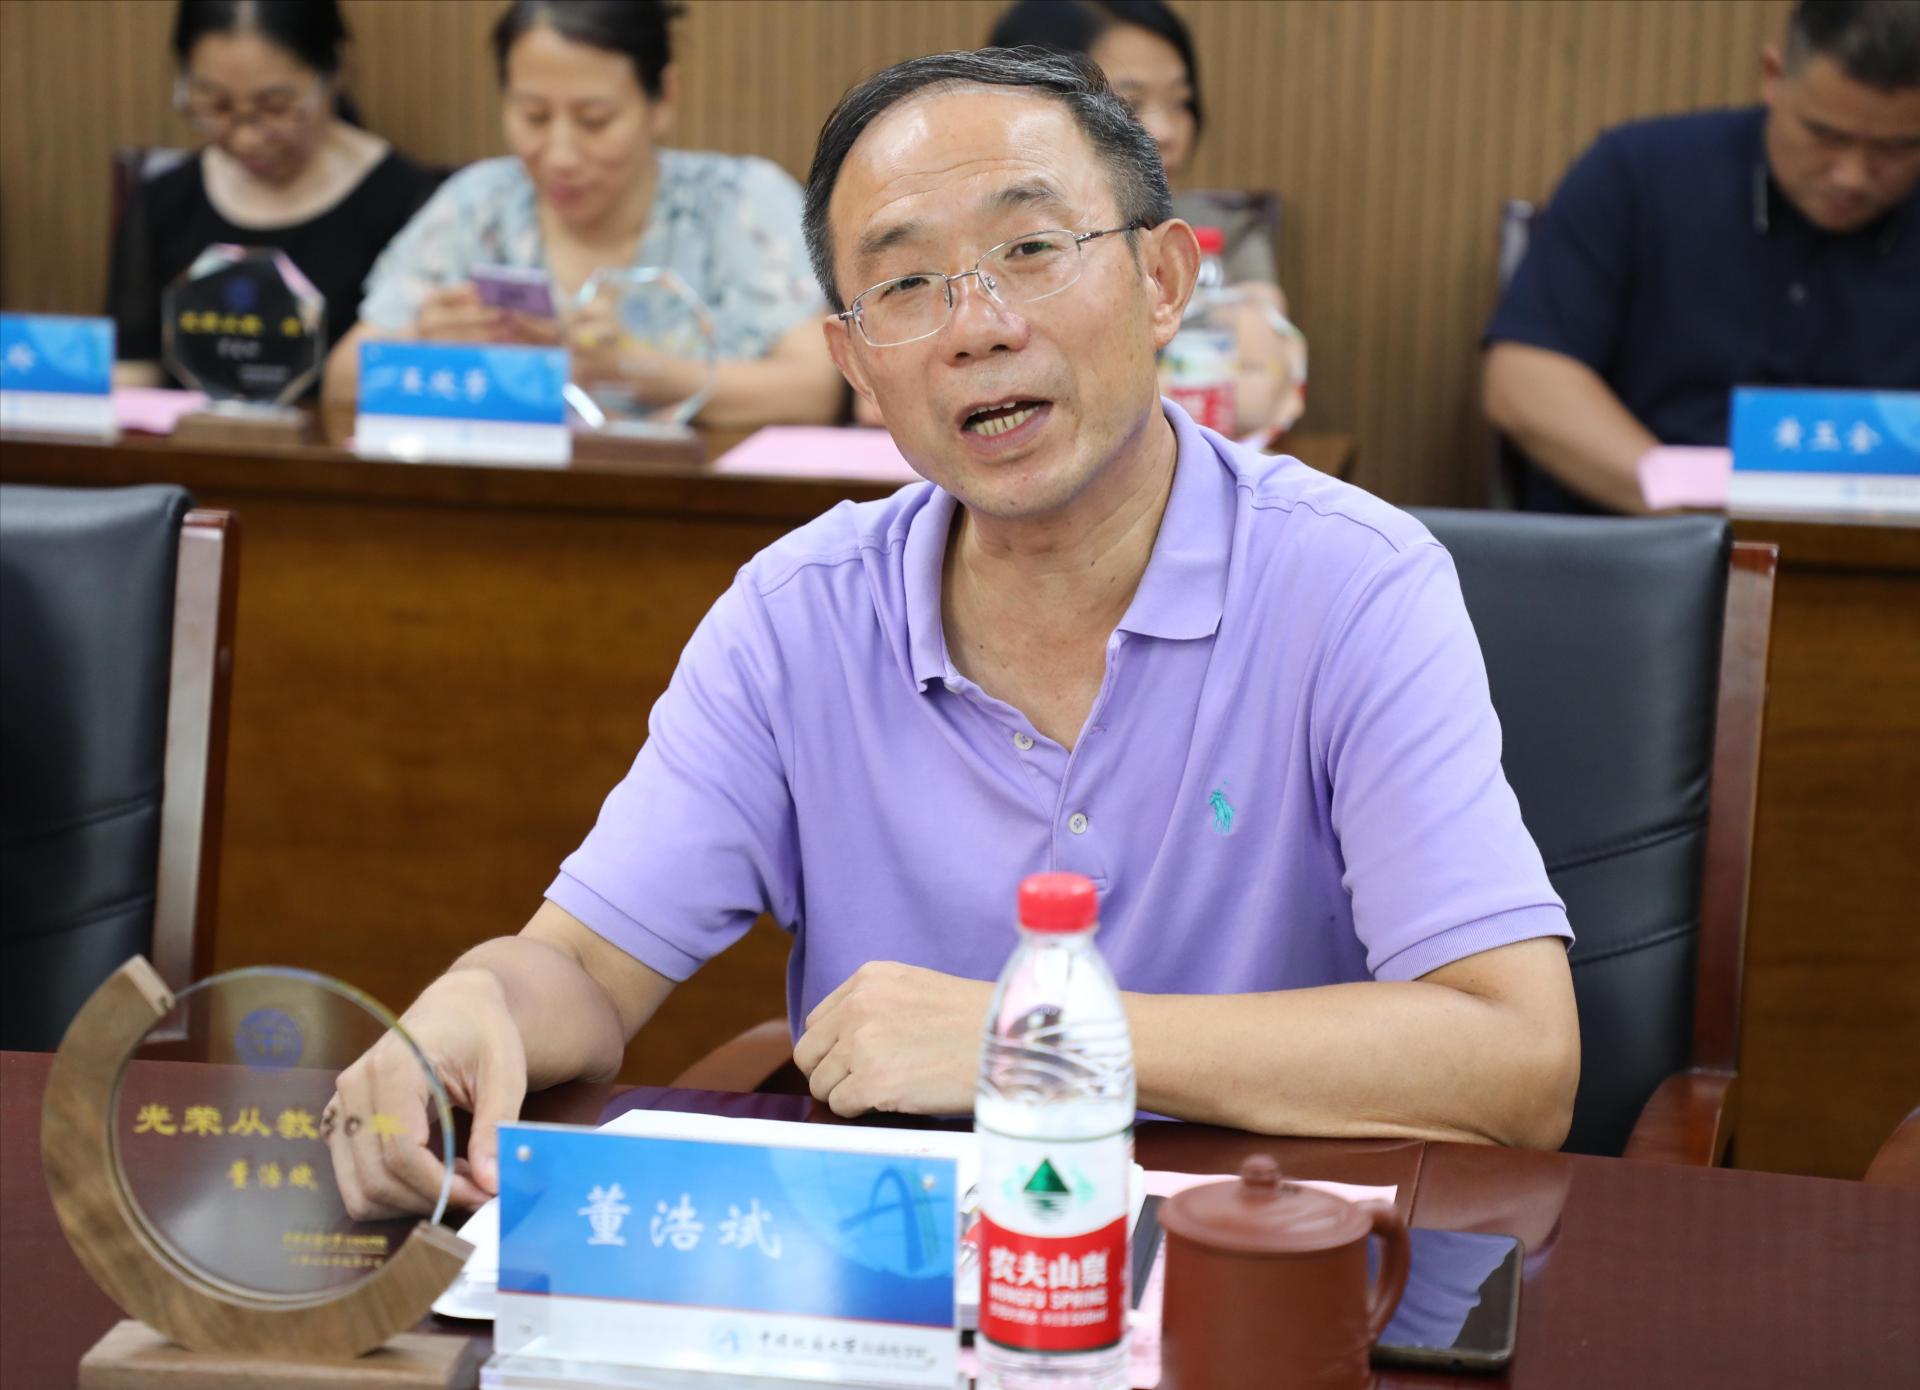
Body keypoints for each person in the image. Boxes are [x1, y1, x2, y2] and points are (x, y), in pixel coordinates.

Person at [327, 47, 1578, 1221]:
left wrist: (1029, 1039)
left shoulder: (1352, 583)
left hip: (1247, 1265)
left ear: (1163, 282)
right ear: (856, 363)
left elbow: (1519, 1061)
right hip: (896, 1281)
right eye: (907, 284)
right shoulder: (798, 614)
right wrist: (472, 1005)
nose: (978, 325)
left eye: (1031, 249)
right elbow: (584, 973)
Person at [1484, 0, 1920, 514]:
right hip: (1644, 532)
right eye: (1826, 135)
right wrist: (1693, 512)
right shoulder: (1639, 173)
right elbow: (1525, 380)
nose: (1852, 176)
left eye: (1896, 148)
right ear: (1774, 76)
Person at [323, 0, 841, 428]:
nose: (561, 155)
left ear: (663, 97)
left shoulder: (740, 200)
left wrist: (633, 372)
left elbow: (812, 391)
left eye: (595, 120)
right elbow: (342, 381)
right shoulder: (477, 204)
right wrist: (423, 344)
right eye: (533, 116)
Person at [987, 0, 1307, 436]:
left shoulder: (1223, 232)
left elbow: (1256, 395)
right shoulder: (981, 248)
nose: (1168, 132)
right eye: (1130, 104)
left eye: (1181, 102)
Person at [110, 0, 441, 391]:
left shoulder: (411, 204)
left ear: (335, 71)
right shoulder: (164, 200)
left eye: (276, 107)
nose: (246, 138)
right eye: (216, 105)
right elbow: (131, 372)